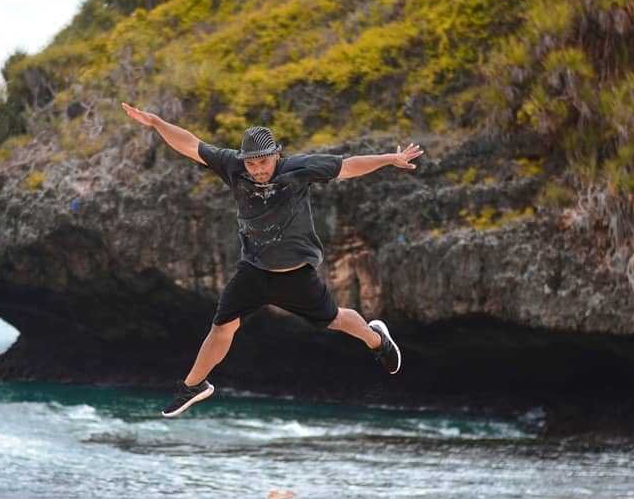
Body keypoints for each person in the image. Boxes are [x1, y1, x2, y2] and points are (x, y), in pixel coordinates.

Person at [121, 102, 423, 417]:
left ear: (276, 156)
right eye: (252, 165)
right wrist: (156, 122)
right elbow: (191, 144)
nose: (258, 170)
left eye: (263, 163)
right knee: (222, 327)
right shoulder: (233, 167)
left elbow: (348, 166)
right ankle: (194, 386)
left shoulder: (299, 169)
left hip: (295, 275)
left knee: (335, 319)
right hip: (253, 270)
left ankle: (378, 340)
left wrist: (391, 159)